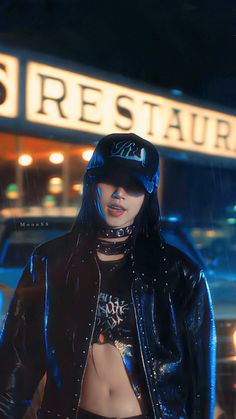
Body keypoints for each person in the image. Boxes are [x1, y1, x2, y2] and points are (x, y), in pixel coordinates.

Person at [0, 133, 216, 419]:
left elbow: (200, 379)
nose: (119, 193)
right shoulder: (49, 261)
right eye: (111, 179)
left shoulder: (181, 274)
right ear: (91, 183)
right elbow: (18, 358)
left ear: (149, 193)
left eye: (134, 185)